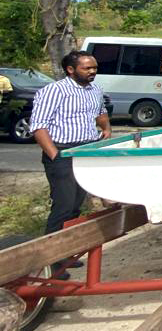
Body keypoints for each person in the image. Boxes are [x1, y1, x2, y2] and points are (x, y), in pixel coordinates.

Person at [30, 51, 111, 276]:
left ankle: (66, 253)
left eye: (94, 67)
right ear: (71, 69)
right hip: (63, 152)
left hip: (87, 150)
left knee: (76, 205)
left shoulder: (94, 89)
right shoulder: (54, 91)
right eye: (87, 68)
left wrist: (106, 129)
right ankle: (51, 261)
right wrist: (55, 155)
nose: (92, 71)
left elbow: (101, 112)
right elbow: (39, 126)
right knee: (63, 205)